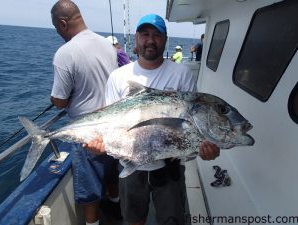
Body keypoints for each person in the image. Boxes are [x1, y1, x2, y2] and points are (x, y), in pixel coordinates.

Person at [85, 14, 220, 225]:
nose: (150, 40)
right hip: (129, 164)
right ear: (137, 38)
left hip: (170, 167)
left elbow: (191, 125)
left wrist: (205, 147)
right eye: (145, 34)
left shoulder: (181, 74)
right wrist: (99, 144)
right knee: (133, 220)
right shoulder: (119, 76)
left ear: (165, 39)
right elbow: (109, 122)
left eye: (157, 35)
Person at [50, 1, 121, 224]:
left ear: (63, 23)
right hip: (114, 123)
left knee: (89, 188)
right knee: (112, 172)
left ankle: (92, 222)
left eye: (56, 28)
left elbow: (60, 101)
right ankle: (117, 206)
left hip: (87, 131)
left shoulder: (65, 53)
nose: (58, 32)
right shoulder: (107, 45)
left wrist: (55, 98)